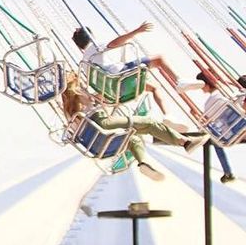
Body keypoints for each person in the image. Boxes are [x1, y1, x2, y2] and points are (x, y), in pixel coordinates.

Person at [60, 71, 205, 182]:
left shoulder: (67, 110)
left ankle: (143, 163)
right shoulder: (79, 95)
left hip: (96, 144)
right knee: (147, 123)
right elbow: (103, 98)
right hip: (102, 124)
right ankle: (184, 142)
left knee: (133, 139)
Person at [72, 23, 178, 111]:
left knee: (153, 87)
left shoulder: (84, 62)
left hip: (115, 91)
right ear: (90, 36)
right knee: (158, 59)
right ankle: (179, 82)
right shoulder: (94, 46)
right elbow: (113, 43)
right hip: (121, 76)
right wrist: (137, 31)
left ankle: (168, 117)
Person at [179, 71, 238, 183]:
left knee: (210, 139)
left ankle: (228, 172)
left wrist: (195, 115)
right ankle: (227, 171)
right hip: (235, 127)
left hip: (226, 132)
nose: (201, 89)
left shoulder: (212, 100)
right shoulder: (224, 93)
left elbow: (206, 123)